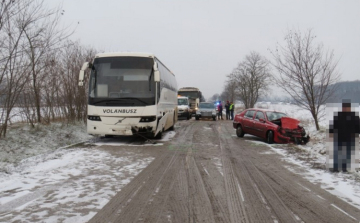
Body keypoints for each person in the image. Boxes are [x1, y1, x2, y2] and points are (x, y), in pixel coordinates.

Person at [328, 100, 360, 172]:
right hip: (339, 137)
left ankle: (344, 168)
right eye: (344, 107)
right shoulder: (339, 115)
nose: (345, 109)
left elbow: (358, 127)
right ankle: (335, 168)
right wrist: (331, 133)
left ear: (350, 108)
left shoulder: (354, 116)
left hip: (350, 138)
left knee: (347, 154)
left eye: (346, 108)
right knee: (337, 153)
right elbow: (333, 125)